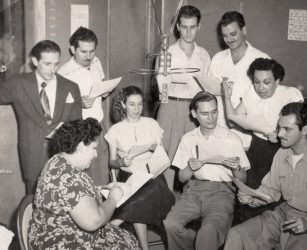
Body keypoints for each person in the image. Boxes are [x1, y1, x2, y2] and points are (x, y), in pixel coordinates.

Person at [224, 102, 307, 250]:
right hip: (284, 215)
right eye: (279, 127)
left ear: (304, 130)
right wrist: (252, 198)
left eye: (287, 129)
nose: (279, 134)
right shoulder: (282, 153)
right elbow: (270, 191)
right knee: (236, 235)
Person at [28, 118, 140, 249]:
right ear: (81, 147)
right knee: (126, 242)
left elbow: (71, 195)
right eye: (94, 148)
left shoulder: (59, 161)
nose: (96, 154)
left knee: (127, 238)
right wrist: (113, 198)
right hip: (60, 241)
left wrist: (101, 188)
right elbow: (94, 221)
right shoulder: (66, 176)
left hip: (68, 232)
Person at [163, 91, 250, 250]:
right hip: (193, 190)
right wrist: (190, 167)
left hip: (222, 192)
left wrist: (236, 168)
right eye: (204, 113)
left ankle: (200, 242)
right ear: (194, 114)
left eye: (214, 112)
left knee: (208, 231)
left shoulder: (231, 139)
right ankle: (193, 242)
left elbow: (243, 179)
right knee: (170, 224)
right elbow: (182, 178)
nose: (211, 118)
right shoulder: (188, 139)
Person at [223, 58, 304, 219]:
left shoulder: (290, 94)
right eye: (256, 82)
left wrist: (280, 132)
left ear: (277, 81)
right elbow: (233, 121)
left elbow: (300, 128)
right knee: (250, 193)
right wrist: (227, 96)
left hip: (284, 149)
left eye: (266, 82)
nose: (260, 88)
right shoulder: (251, 92)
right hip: (258, 147)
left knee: (277, 196)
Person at [0, 40, 82, 194]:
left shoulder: (71, 87)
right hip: (32, 154)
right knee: (33, 204)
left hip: (63, 155)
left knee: (61, 200)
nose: (53, 69)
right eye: (47, 64)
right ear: (35, 61)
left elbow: (78, 124)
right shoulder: (18, 83)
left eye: (56, 64)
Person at [105, 86, 175, 250]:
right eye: (131, 104)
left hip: (152, 174)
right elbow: (111, 162)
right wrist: (123, 162)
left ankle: (114, 223)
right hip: (129, 177)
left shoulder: (152, 124)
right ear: (123, 104)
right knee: (140, 197)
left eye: (140, 104)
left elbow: (162, 153)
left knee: (149, 189)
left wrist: (154, 150)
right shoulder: (115, 130)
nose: (137, 109)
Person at [156, 5, 211, 189]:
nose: (188, 32)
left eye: (193, 27)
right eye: (184, 27)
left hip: (195, 111)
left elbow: (207, 88)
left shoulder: (203, 55)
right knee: (168, 157)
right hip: (171, 107)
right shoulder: (167, 53)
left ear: (199, 27)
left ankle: (190, 202)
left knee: (193, 156)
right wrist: (173, 86)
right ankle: (166, 201)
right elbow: (162, 92)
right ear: (178, 26)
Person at [209, 11, 269, 149]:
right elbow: (209, 94)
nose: (229, 39)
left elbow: (267, 101)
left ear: (244, 30)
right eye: (225, 36)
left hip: (247, 137)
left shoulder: (261, 60)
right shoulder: (218, 59)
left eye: (233, 34)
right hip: (218, 132)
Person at [58, 27, 109, 186]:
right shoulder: (63, 73)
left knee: (101, 171)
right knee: (83, 177)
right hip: (79, 130)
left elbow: (100, 85)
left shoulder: (96, 62)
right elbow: (58, 107)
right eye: (83, 52)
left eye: (92, 51)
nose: (88, 56)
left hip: (98, 124)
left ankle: (101, 207)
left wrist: (104, 91)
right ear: (72, 49)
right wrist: (79, 102)